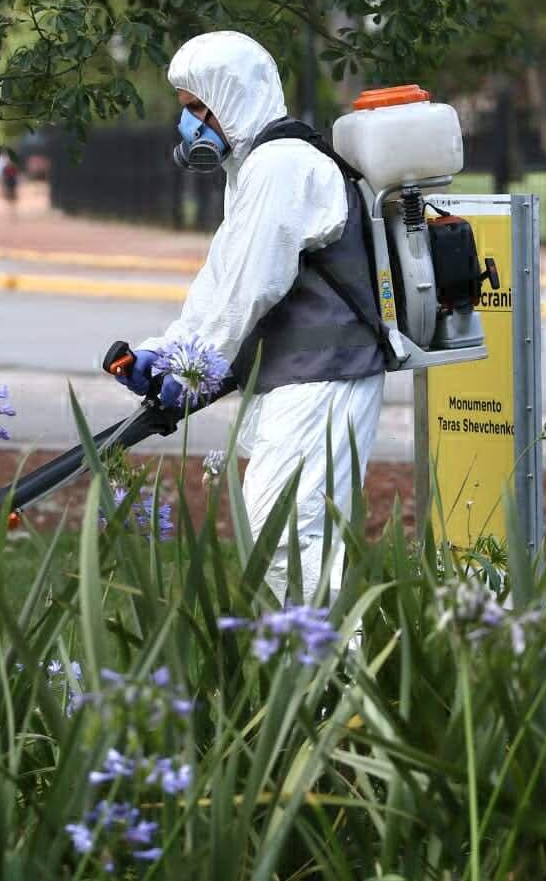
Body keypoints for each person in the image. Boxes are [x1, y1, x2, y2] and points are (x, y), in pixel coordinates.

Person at [113, 31, 384, 606]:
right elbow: (222, 282)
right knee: (280, 538)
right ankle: (313, 678)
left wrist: (190, 371)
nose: (188, 128)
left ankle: (340, 676)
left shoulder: (284, 165)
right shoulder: (255, 167)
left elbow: (250, 287)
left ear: (229, 97)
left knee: (289, 534)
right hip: (292, 374)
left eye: (194, 110)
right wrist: (168, 350)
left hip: (325, 377)